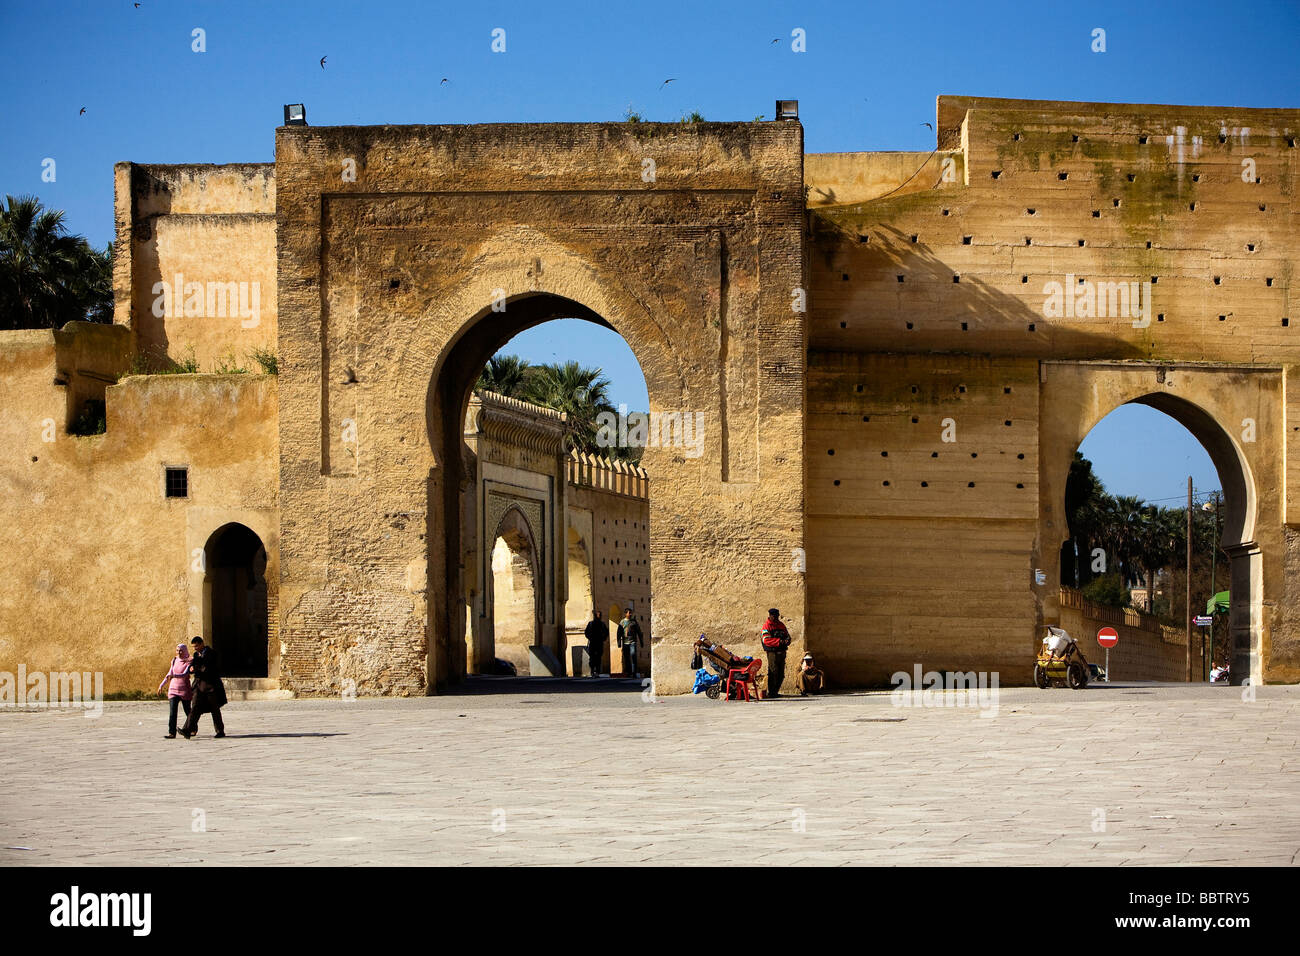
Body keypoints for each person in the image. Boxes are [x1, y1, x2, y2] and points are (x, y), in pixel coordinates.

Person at [180, 636, 227, 739]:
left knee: (215, 709)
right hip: (198, 685)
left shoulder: (211, 653)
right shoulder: (196, 655)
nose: (195, 648)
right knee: (195, 707)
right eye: (193, 647)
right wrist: (191, 669)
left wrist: (196, 668)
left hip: (211, 686)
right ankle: (187, 729)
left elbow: (208, 668)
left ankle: (220, 731)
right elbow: (193, 666)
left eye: (196, 646)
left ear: (202, 644)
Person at [157, 642, 194, 738]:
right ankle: (172, 732)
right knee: (173, 712)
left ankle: (193, 728)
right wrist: (161, 685)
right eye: (177, 650)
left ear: (185, 651)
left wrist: (174, 676)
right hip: (173, 689)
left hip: (184, 690)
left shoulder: (189, 661)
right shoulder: (174, 660)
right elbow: (169, 673)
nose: (179, 652)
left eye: (181, 650)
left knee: (188, 711)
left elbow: (185, 673)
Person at [760, 608, 791, 697]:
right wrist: (779, 641)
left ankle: (775, 691)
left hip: (782, 652)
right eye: (774, 616)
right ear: (770, 616)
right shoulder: (766, 626)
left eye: (777, 616)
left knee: (781, 673)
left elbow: (787, 636)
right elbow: (766, 640)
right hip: (772, 653)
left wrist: (787, 641)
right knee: (773, 672)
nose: (776, 618)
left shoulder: (781, 625)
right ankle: (772, 692)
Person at [617, 608, 643, 678]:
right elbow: (619, 633)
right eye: (629, 613)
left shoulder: (634, 622)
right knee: (627, 658)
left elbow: (639, 632)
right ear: (626, 614)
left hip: (632, 642)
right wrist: (619, 643)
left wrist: (641, 641)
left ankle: (634, 673)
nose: (631, 614)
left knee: (633, 657)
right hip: (625, 643)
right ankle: (629, 672)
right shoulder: (622, 622)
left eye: (631, 613)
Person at [584, 610, 606, 677]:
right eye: (598, 615)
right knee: (592, 657)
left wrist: (603, 639)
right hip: (593, 643)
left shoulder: (602, 624)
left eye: (600, 615)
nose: (599, 617)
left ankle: (597, 671)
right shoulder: (590, 624)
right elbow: (586, 632)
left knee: (598, 658)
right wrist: (590, 638)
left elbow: (606, 632)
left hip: (599, 643)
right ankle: (592, 670)